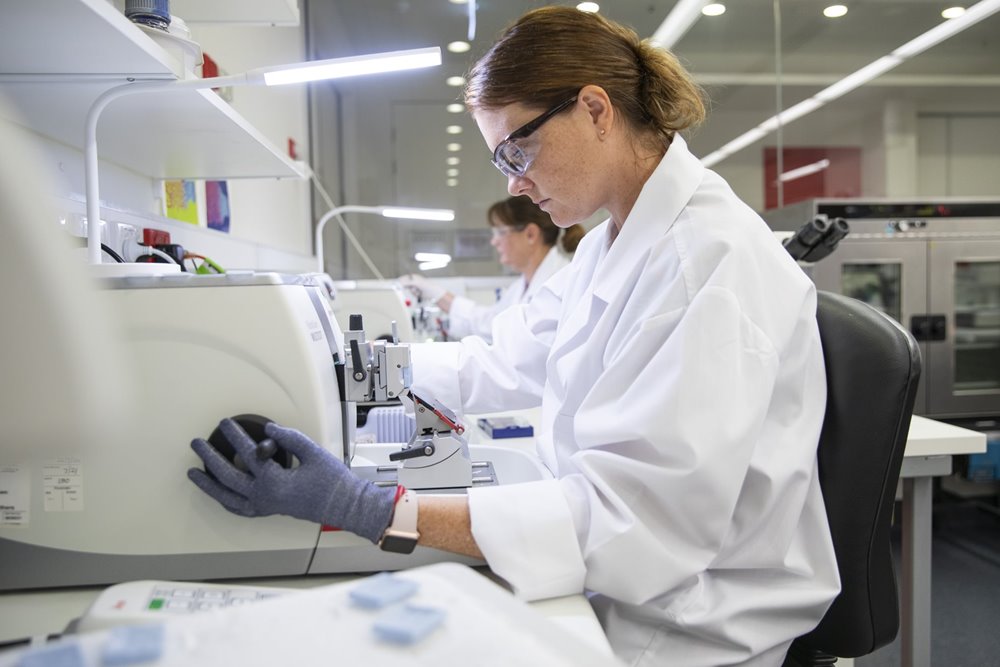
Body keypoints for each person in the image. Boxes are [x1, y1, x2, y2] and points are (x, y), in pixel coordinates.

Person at [188, 7, 839, 666]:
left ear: (594, 110)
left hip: (687, 626)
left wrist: (372, 506)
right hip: (620, 588)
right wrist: (357, 366)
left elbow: (631, 525)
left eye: (516, 150)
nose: (513, 183)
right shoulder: (613, 243)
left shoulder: (709, 261)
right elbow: (502, 362)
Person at [401, 195, 584, 342]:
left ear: (530, 234)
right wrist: (436, 293)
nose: (494, 241)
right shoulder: (522, 285)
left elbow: (512, 337)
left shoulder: (560, 282)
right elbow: (491, 322)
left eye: (500, 232)